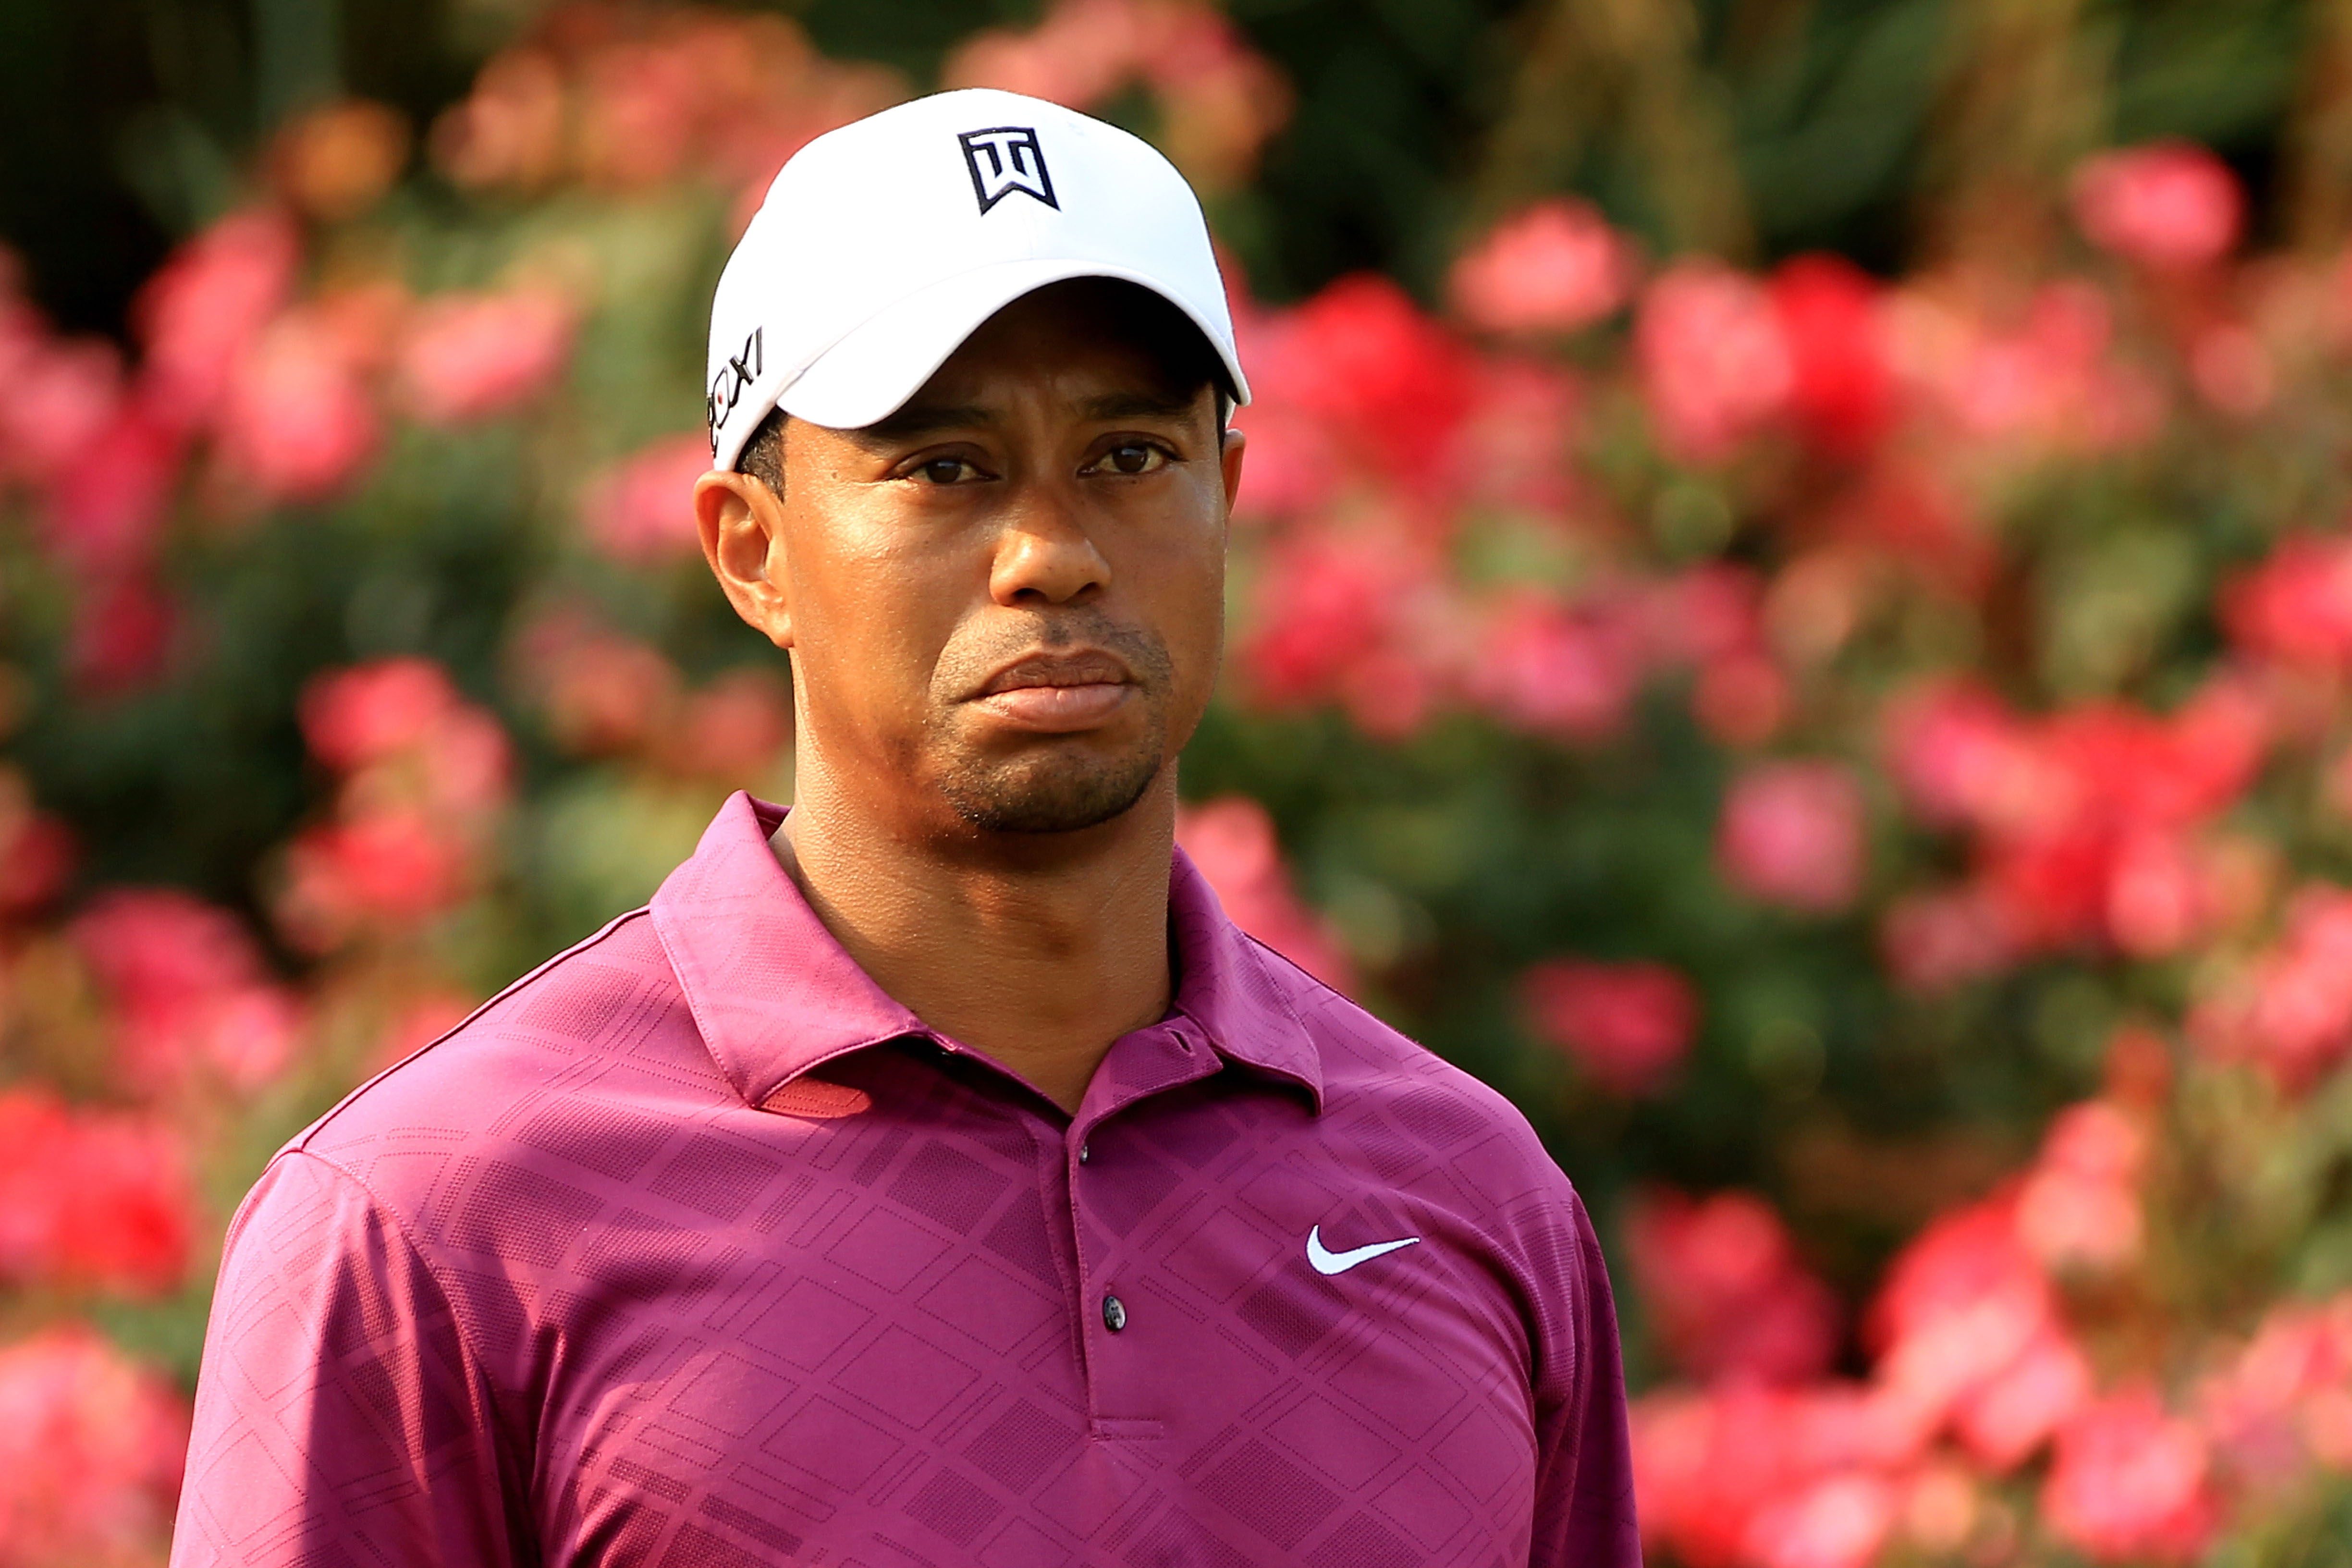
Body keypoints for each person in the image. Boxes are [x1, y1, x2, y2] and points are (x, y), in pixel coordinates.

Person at [169, 88, 1640, 1568]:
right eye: (945, 467)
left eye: (1130, 455)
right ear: (756, 554)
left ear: (1227, 500)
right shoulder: (435, 1224)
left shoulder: (1468, 1196)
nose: (1054, 555)